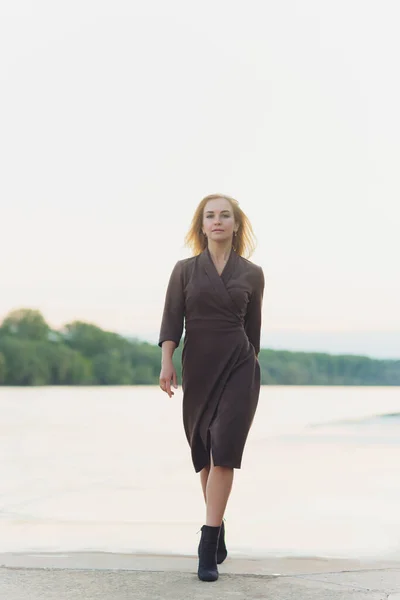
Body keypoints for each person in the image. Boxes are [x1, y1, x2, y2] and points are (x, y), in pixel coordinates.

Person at [158, 193, 265, 582]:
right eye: (210, 216)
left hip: (239, 364)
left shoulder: (253, 273)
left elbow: (253, 332)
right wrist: (167, 363)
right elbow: (172, 321)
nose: (217, 221)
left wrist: (252, 368)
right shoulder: (184, 270)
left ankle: (206, 545)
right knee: (204, 449)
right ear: (201, 226)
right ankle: (218, 526)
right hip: (198, 366)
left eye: (225, 216)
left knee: (224, 449)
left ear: (236, 225)